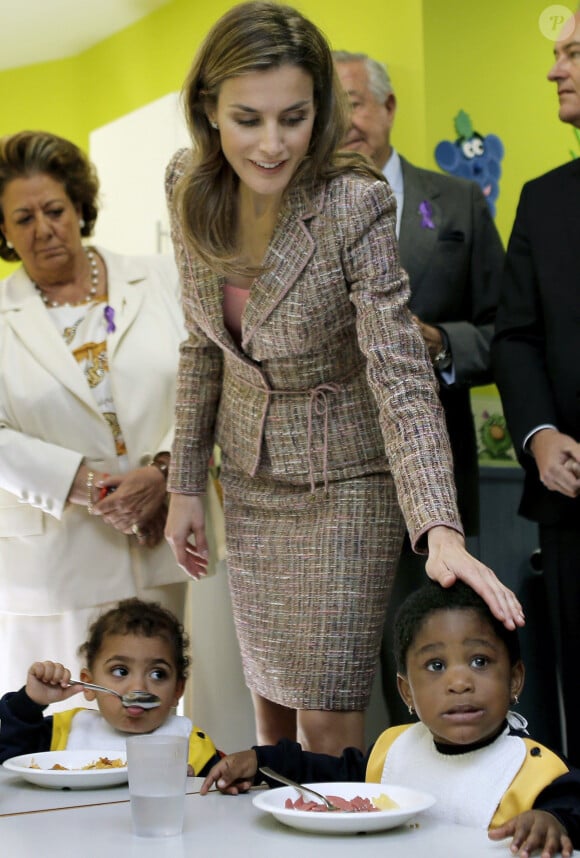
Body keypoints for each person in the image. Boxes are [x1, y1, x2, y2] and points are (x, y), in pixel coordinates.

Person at [164, 1, 523, 757]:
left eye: (293, 118)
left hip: (347, 483)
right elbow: (202, 348)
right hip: (253, 482)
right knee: (272, 718)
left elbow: (397, 368)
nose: (270, 145)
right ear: (208, 109)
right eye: (247, 119)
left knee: (327, 712)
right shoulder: (188, 185)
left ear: (320, 109)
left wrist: (440, 527)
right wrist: (185, 486)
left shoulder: (353, 200)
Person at [331, 50, 505, 726]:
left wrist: (437, 344)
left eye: (356, 102)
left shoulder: (456, 200)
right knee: (342, 664)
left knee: (433, 647)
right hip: (336, 477)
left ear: (389, 106)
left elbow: (504, 333)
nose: (346, 123)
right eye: (329, 108)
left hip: (434, 479)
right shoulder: (297, 213)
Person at [0, 130, 194, 701]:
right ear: (4, 232)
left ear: (80, 207)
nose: (43, 229)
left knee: (186, 727)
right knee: (65, 738)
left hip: (173, 543)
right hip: (58, 564)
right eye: (23, 218)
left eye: (54, 210)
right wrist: (79, 483)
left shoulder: (161, 278)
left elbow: (211, 383)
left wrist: (164, 472)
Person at [200, 581, 580, 858]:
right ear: (407, 692)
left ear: (514, 678)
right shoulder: (394, 750)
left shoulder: (536, 771)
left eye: (480, 662)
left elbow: (573, 807)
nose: (460, 682)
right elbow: (325, 775)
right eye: (436, 665)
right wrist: (262, 761)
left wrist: (555, 822)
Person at [492, 8, 580, 767]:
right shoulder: (543, 200)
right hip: (572, 504)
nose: (556, 69)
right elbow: (514, 336)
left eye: (574, 54)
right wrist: (540, 436)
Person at [0, 598, 222, 776]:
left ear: (177, 691)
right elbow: (9, 760)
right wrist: (29, 703)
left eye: (157, 674)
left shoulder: (192, 746)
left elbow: (225, 802)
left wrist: (195, 791)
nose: (138, 687)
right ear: (89, 684)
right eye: (120, 671)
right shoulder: (65, 731)